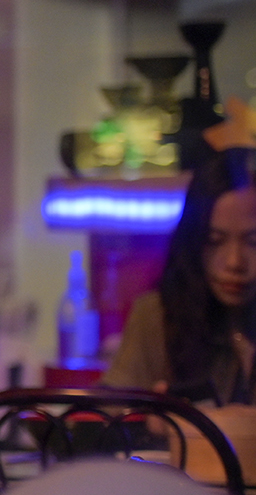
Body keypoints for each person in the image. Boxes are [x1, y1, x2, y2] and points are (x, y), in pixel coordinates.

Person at [104, 146, 256, 403]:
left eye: (253, 242)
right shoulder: (157, 316)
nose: (234, 262)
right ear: (192, 241)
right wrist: (148, 417)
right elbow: (106, 414)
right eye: (214, 241)